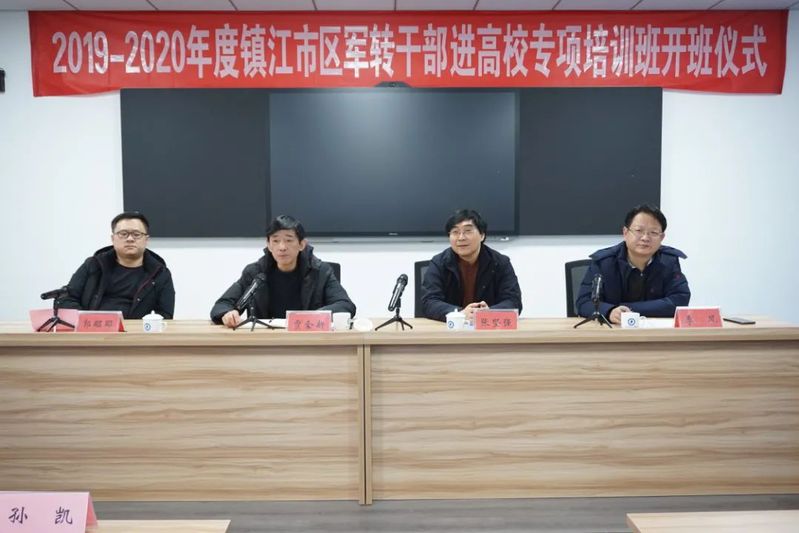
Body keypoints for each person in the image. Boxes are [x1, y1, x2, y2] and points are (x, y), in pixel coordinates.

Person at [211, 215, 356, 328]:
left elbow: (345, 305)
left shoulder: (320, 271)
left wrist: (310, 317)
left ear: (301, 244)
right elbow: (222, 305)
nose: (282, 247)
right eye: (275, 241)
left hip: (308, 340)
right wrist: (228, 313)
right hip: (265, 343)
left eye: (288, 240)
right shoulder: (255, 272)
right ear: (268, 245)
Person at [576, 204, 690, 324]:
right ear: (625, 232)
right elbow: (584, 302)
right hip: (613, 331)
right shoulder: (604, 262)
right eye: (639, 231)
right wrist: (610, 311)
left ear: (661, 237)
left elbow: (679, 300)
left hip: (654, 331)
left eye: (653, 232)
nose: (645, 238)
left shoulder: (669, 261)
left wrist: (628, 309)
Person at [59, 211, 175, 319]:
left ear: (146, 239)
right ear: (113, 239)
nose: (130, 239)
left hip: (137, 332)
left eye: (136, 234)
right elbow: (66, 298)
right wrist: (87, 320)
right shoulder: (94, 265)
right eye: (123, 234)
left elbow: (165, 315)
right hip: (93, 329)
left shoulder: (160, 273)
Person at [421, 209, 522, 322]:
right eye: (455, 232)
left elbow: (513, 301)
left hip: (487, 328)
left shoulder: (500, 263)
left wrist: (489, 312)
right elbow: (429, 302)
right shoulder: (439, 263)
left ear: (482, 235)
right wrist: (460, 313)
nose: (461, 237)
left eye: (468, 231)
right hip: (451, 328)